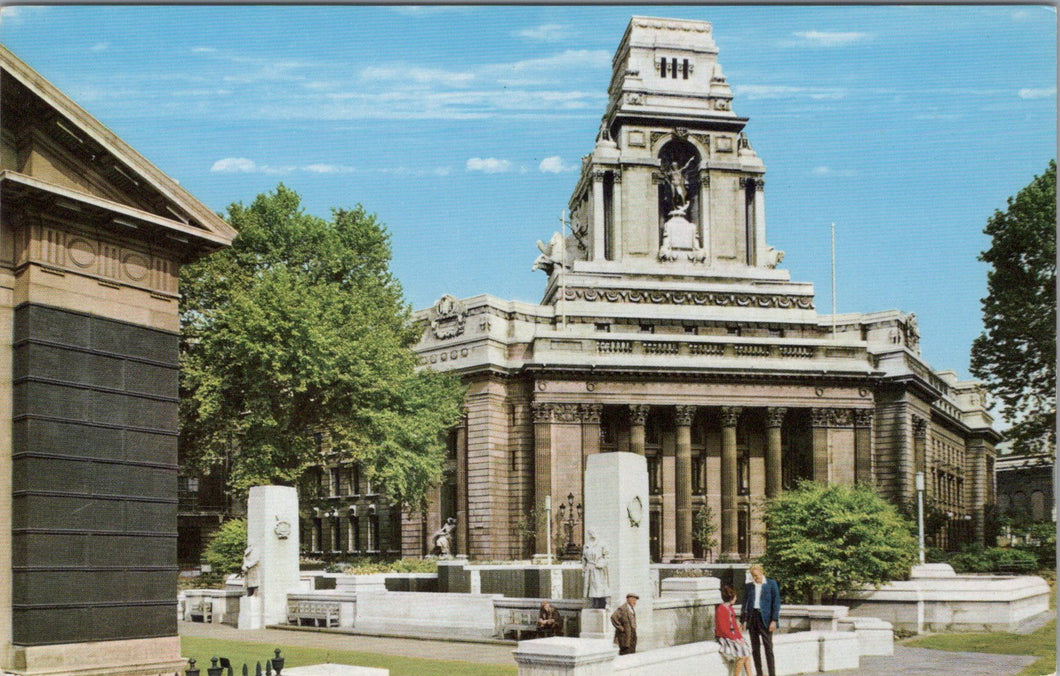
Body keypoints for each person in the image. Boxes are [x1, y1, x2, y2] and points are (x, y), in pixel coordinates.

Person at [741, 564, 780, 676]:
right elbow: (745, 604)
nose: (755, 578)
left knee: (768, 648)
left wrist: (774, 620)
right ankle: (759, 674)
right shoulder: (749, 586)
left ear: (762, 572)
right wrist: (742, 621)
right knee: (755, 648)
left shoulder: (771, 584)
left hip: (766, 620)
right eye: (753, 576)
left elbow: (776, 603)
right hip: (753, 618)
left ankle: (772, 674)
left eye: (756, 575)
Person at [715, 584, 753, 676]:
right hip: (725, 637)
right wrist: (735, 639)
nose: (736, 598)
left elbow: (735, 626)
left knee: (747, 653)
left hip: (732, 635)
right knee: (741, 656)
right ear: (731, 597)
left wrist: (740, 637)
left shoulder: (730, 608)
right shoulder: (721, 609)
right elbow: (724, 630)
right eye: (735, 596)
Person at [582, 529, 610, 609]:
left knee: (598, 586)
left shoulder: (602, 544)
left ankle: (601, 604)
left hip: (598, 569)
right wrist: (584, 569)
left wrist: (600, 564)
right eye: (590, 533)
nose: (592, 534)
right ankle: (591, 604)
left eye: (593, 532)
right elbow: (584, 558)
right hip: (589, 568)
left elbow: (607, 557)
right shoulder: (586, 545)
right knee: (589, 588)